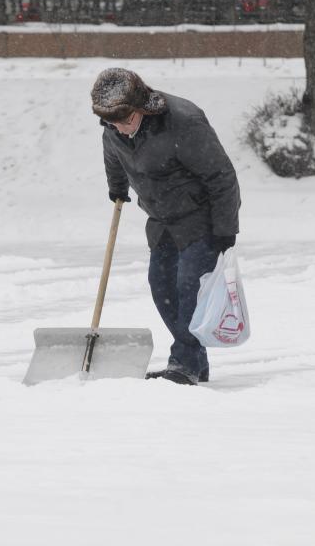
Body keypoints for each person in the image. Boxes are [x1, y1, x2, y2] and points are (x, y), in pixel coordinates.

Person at [91, 68, 240, 385]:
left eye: (125, 120)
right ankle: (195, 362)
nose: (119, 128)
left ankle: (183, 362)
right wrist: (116, 187)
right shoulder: (114, 127)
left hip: (200, 218)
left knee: (189, 290)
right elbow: (113, 156)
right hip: (161, 219)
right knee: (162, 287)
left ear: (141, 106)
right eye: (111, 122)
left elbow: (222, 176)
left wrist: (226, 228)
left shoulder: (183, 122)